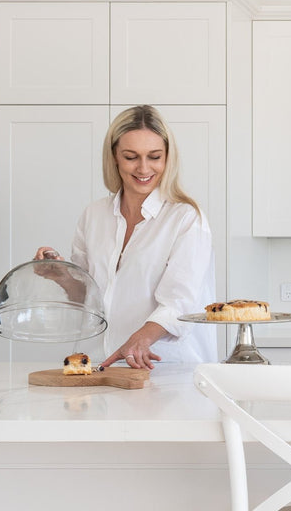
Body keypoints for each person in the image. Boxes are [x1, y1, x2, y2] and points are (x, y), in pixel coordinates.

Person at [34, 105, 216, 369]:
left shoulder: (186, 218)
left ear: (168, 158)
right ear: (114, 158)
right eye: (131, 157)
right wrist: (62, 275)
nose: (144, 168)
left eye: (154, 156)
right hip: (100, 364)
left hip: (167, 369)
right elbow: (88, 297)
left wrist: (139, 340)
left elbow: (179, 303)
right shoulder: (94, 215)